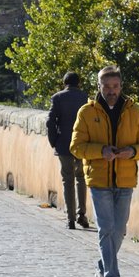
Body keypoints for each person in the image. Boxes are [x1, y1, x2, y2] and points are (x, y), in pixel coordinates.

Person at [70, 65, 139, 277]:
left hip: (126, 179)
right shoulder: (87, 112)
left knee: (119, 230)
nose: (111, 91)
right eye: (106, 87)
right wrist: (101, 151)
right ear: (99, 87)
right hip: (99, 180)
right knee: (106, 228)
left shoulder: (133, 111)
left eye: (115, 86)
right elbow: (75, 147)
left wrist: (132, 151)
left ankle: (101, 266)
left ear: (121, 87)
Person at [47, 71, 90, 230]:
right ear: (78, 83)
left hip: (64, 143)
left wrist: (54, 142)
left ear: (64, 82)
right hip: (82, 144)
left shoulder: (57, 98)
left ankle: (70, 218)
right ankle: (82, 215)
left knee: (67, 179)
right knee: (81, 178)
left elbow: (51, 122)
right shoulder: (85, 97)